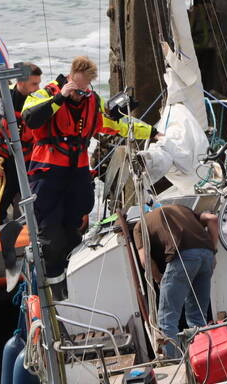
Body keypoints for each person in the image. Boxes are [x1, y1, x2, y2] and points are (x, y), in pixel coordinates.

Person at [22, 55, 156, 293]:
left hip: (76, 176)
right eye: (77, 90)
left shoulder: (91, 102)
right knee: (51, 240)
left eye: (85, 91)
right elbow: (31, 119)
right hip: (48, 176)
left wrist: (153, 133)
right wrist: (60, 97)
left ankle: (73, 284)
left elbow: (118, 124)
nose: (81, 96)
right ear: (70, 79)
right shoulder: (45, 95)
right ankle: (52, 291)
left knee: (74, 235)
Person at [132, 204, 220, 358]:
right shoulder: (184, 209)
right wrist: (212, 252)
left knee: (167, 318)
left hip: (182, 257)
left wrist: (159, 279)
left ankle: (173, 363)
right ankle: (204, 359)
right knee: (197, 316)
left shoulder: (139, 225)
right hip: (206, 256)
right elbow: (212, 219)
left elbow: (145, 259)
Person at [0, 62, 43, 222]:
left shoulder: (40, 103)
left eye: (39, 83)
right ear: (20, 82)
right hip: (4, 163)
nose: (38, 88)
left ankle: (37, 234)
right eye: (34, 83)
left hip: (30, 163)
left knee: (41, 202)